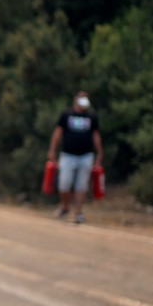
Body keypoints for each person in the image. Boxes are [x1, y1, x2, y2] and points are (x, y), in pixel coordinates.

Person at [47, 91, 103, 224]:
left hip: (86, 156)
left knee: (81, 186)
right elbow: (58, 132)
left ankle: (78, 213)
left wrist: (99, 153)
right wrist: (52, 150)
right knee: (64, 184)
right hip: (67, 155)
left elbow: (96, 135)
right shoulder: (67, 115)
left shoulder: (92, 117)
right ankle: (64, 206)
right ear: (75, 100)